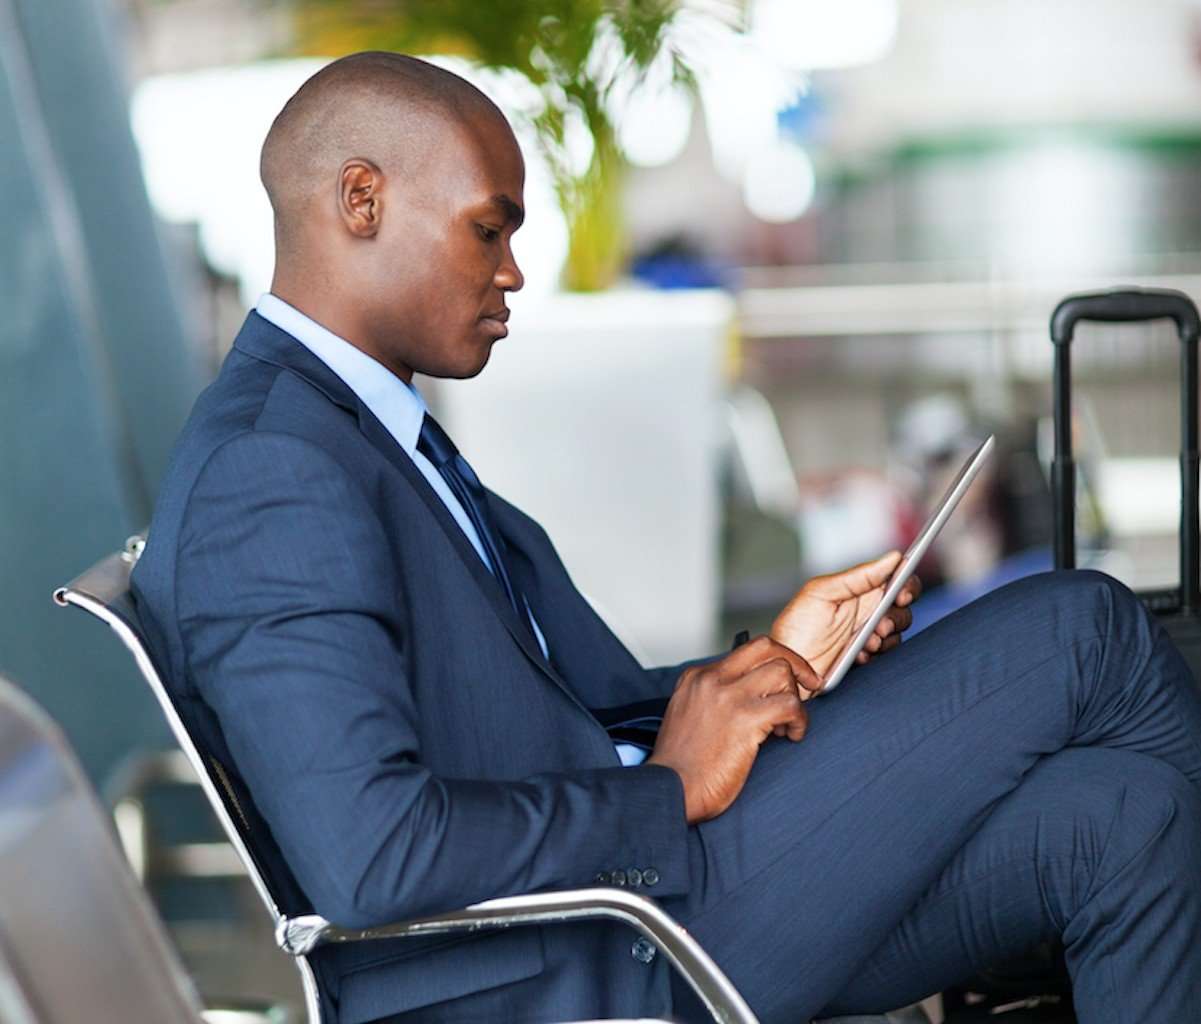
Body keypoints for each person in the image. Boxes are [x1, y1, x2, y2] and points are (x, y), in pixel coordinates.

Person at [131, 51, 1201, 1024]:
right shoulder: (271, 471)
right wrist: (668, 790)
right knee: (1083, 628)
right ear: (359, 200)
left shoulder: (357, 431)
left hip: (646, 896)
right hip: (599, 952)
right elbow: (373, 852)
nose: (510, 272)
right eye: (488, 229)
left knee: (1122, 815)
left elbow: (553, 712)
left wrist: (761, 670)